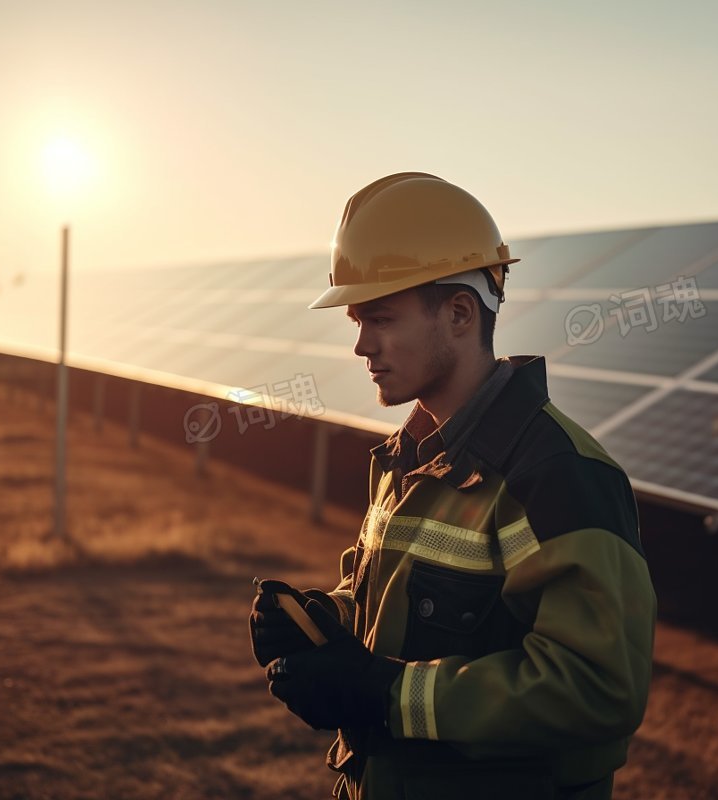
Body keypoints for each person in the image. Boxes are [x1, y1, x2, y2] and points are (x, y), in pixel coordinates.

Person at [250, 172, 656, 800]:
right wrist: (323, 619)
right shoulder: (403, 459)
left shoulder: (558, 475)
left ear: (461, 313)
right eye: (358, 320)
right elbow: (386, 602)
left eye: (380, 318)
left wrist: (382, 693)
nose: (361, 345)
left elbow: (596, 687)